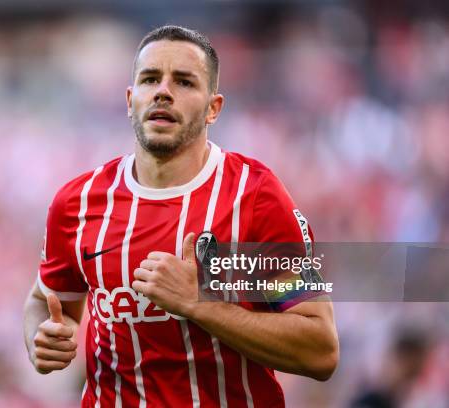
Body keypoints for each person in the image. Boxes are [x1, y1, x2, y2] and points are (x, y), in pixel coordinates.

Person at [23, 25, 339, 407]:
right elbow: (46, 299)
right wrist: (44, 339)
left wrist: (198, 303)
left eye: (184, 82)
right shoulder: (79, 202)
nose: (163, 91)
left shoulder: (254, 197)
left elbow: (320, 349)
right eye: (150, 79)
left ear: (213, 108)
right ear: (130, 99)